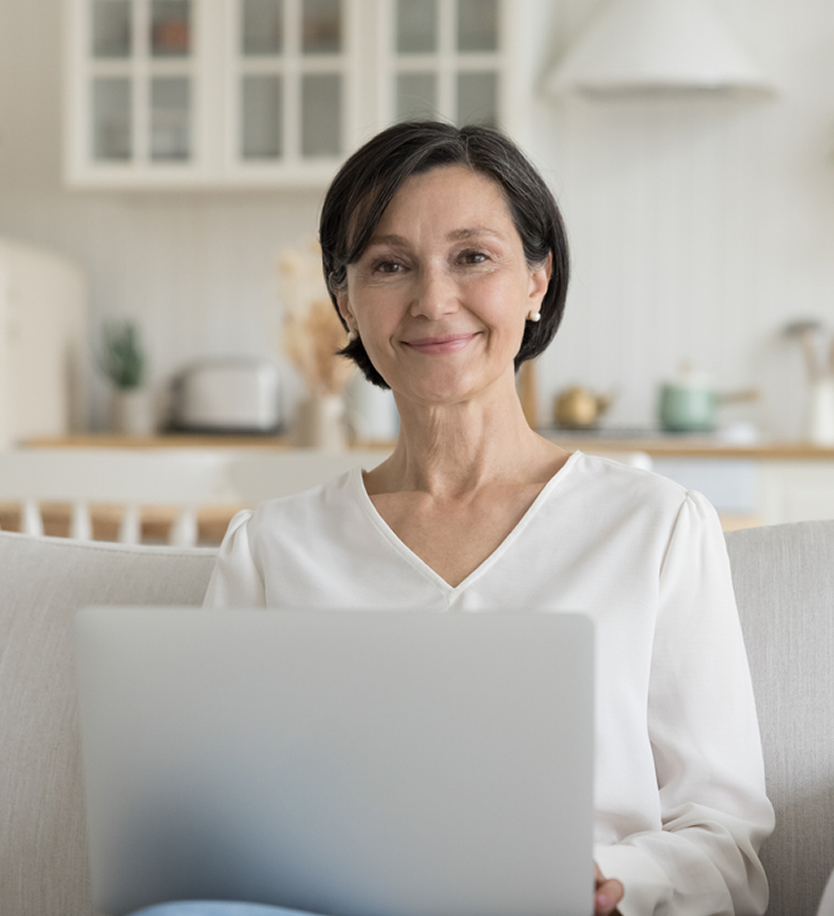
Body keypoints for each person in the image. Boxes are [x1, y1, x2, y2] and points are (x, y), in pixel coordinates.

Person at [147, 122, 774, 916]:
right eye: (389, 265)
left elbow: (725, 847)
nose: (433, 300)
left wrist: (608, 880)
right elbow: (211, 825)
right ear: (345, 300)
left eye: (473, 257)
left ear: (537, 280)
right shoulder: (271, 548)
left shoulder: (657, 530)